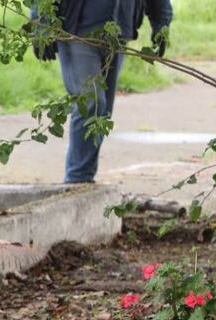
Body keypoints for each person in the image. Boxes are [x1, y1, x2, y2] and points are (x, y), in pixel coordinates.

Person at [34, 0, 174, 183]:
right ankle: (77, 178)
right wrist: (41, 23)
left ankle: (84, 177)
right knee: (91, 102)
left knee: (103, 112)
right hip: (77, 30)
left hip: (118, 33)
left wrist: (161, 24)